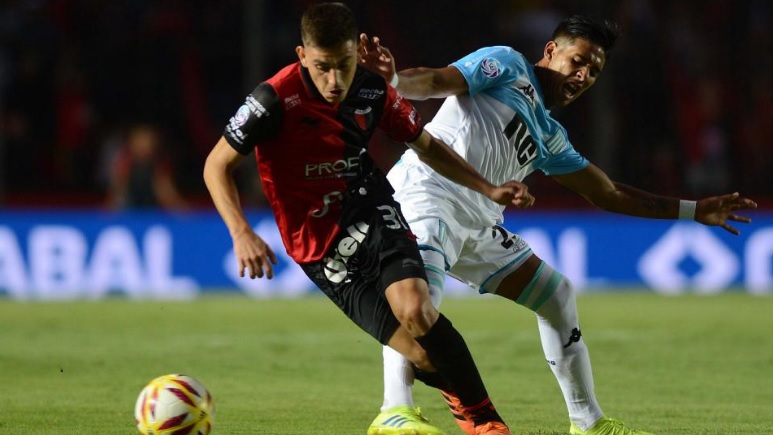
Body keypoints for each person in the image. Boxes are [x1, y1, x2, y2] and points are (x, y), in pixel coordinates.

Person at [359, 15, 758, 435]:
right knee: (419, 300)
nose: (584, 75)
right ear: (551, 51)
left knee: (556, 294)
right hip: (427, 196)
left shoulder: (550, 136)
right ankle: (394, 410)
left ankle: (587, 422)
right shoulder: (508, 65)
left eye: (594, 71)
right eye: (578, 61)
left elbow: (608, 193)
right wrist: (397, 81)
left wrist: (693, 210)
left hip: (478, 223)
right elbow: (438, 81)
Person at [202, 3, 536, 435]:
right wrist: (241, 231)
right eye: (323, 67)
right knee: (419, 354)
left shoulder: (372, 91)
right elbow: (216, 165)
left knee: (416, 307)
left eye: (345, 64)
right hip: (318, 247)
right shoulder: (272, 99)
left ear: (355, 54)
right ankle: (463, 404)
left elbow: (426, 145)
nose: (336, 80)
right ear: (302, 55)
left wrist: (487, 188)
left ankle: (487, 424)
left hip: (369, 207)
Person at [106, 123, 189, 210]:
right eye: (139, 140)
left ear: (154, 143)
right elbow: (116, 196)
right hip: (129, 213)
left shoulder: (159, 165)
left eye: (146, 141)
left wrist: (185, 216)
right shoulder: (124, 163)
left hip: (155, 214)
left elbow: (168, 196)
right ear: (131, 143)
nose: (143, 146)